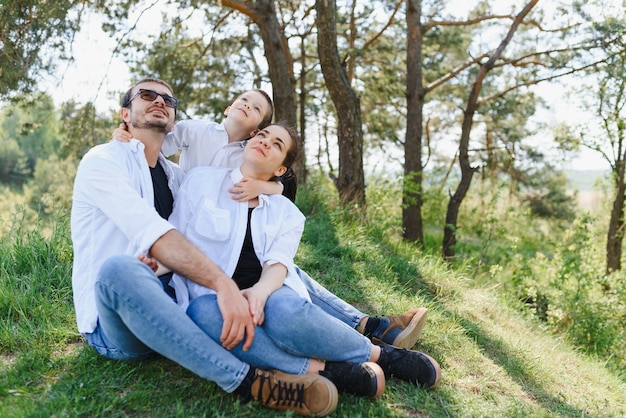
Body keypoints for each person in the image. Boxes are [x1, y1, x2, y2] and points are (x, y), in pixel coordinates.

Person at [71, 77, 339, 416]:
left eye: (168, 99)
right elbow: (155, 235)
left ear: (172, 120)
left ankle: (358, 332)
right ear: (125, 113)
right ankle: (250, 382)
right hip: (119, 320)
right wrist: (222, 285)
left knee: (267, 259)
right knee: (119, 270)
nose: (160, 101)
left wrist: (271, 190)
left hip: (177, 301)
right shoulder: (104, 161)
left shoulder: (177, 177)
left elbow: (232, 199)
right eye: (147, 95)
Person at [113, 88, 430, 350]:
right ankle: (368, 326)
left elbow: (277, 185)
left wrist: (263, 185)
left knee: (279, 268)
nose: (246, 105)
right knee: (281, 269)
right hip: (192, 216)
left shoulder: (247, 152)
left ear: (254, 131)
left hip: (221, 225)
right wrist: (125, 132)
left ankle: (365, 330)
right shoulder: (197, 131)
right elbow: (155, 141)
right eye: (243, 100)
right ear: (227, 107)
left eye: (255, 108)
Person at [167, 122, 441, 397]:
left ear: (280, 170)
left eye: (277, 144)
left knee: (286, 313)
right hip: (209, 295)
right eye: (263, 135)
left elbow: (279, 263)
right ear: (249, 143)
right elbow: (175, 236)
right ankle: (324, 371)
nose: (265, 142)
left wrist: (259, 295)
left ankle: (382, 356)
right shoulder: (201, 181)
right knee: (202, 314)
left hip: (268, 290)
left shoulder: (286, 212)